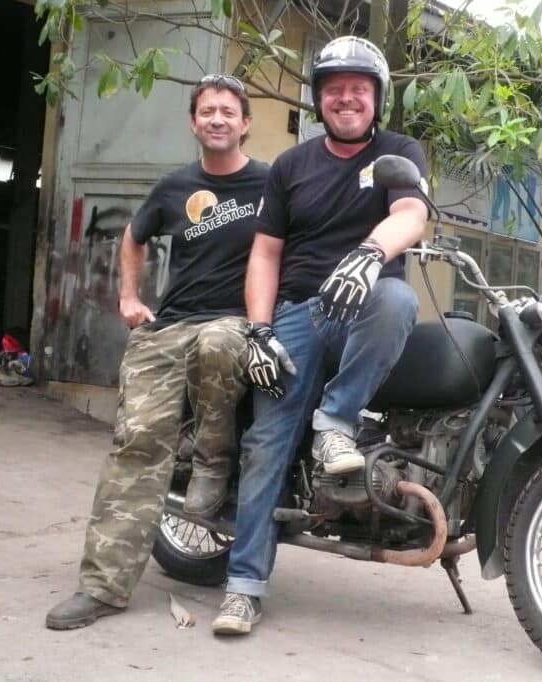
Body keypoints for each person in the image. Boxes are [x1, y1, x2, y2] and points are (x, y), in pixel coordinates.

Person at [211, 36, 429, 635]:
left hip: (363, 309)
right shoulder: (291, 166)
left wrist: (369, 255)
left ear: (377, 99)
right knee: (267, 443)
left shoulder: (398, 152)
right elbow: (265, 254)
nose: (346, 99)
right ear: (319, 99)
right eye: (334, 89)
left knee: (397, 296)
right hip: (297, 315)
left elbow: (411, 213)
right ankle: (243, 587)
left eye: (359, 89)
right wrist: (259, 331)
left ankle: (335, 423)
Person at [46, 74, 269, 630]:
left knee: (219, 341)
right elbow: (133, 237)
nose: (217, 119)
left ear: (245, 123)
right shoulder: (174, 187)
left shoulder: (271, 184)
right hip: (170, 326)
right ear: (193, 123)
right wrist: (128, 297)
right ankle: (103, 586)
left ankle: (214, 462)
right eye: (207, 111)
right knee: (136, 442)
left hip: (236, 324)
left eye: (228, 111)